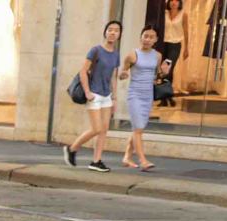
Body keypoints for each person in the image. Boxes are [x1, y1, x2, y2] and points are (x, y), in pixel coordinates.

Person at [63, 20, 122, 173]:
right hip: (94, 94)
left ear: (119, 35)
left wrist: (115, 97)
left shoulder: (116, 54)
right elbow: (83, 71)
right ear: (105, 32)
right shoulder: (95, 50)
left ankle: (96, 161)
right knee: (97, 128)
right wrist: (88, 91)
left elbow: (113, 77)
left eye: (116, 30)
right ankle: (72, 148)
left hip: (107, 96)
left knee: (104, 130)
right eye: (110, 29)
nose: (113, 32)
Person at [120, 25, 169, 171]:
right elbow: (123, 72)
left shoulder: (157, 56)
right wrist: (123, 75)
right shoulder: (132, 55)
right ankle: (143, 160)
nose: (147, 39)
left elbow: (156, 77)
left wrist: (164, 72)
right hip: (135, 95)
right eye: (145, 36)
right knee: (139, 129)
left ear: (156, 40)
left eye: (151, 37)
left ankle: (127, 157)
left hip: (148, 96)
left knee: (137, 128)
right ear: (140, 37)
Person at [158, 0, 186, 107]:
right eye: (171, 0)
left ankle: (166, 97)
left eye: (176, 1)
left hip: (175, 45)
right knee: (165, 71)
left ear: (179, 3)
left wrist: (186, 48)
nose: (173, 3)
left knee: (167, 69)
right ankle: (166, 98)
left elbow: (186, 31)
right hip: (163, 44)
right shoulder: (164, 13)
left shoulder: (183, 14)